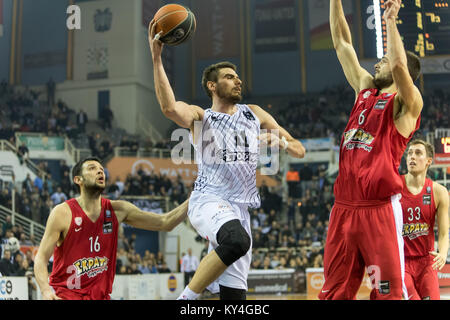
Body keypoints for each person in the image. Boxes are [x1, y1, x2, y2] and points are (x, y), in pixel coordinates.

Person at [149, 20, 305, 301]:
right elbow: (169, 108)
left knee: (234, 299)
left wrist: (280, 141)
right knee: (236, 240)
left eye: (238, 77)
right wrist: (157, 57)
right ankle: (184, 300)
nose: (238, 80)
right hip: (209, 199)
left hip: (239, 208)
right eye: (230, 77)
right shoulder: (202, 117)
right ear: (212, 85)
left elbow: (299, 149)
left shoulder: (254, 113)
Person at [319, 0, 423, 300]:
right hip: (343, 207)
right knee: (334, 292)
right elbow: (341, 42)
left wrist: (390, 20)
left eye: (384, 59)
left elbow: (401, 65)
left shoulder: (407, 105)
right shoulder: (364, 89)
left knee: (388, 292)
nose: (377, 63)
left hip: (378, 210)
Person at [34, 157, 189, 300]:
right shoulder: (62, 212)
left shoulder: (117, 210)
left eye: (101, 169)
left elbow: (165, 222)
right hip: (66, 295)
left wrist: (196, 196)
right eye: (92, 168)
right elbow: (41, 257)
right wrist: (46, 291)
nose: (100, 171)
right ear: (78, 180)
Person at [400, 140, 449, 300]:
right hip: (402, 261)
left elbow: (443, 233)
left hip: (426, 261)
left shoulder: (439, 192)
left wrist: (442, 253)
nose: (412, 157)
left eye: (418, 153)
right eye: (410, 153)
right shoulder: (394, 187)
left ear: (429, 161)